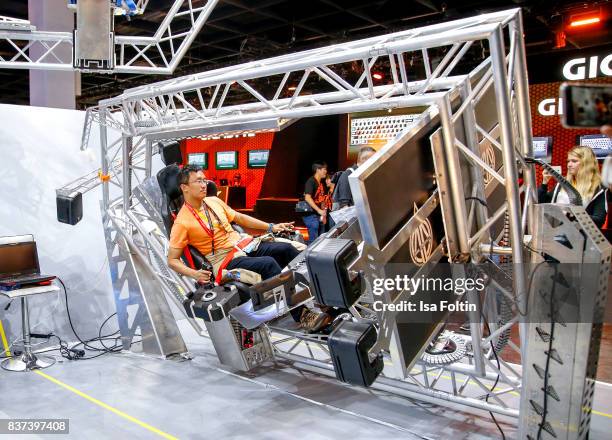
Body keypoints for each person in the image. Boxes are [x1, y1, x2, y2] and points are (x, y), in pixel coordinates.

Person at [167, 165, 333, 332]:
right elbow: (172, 260)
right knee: (268, 264)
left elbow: (239, 218)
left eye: (204, 180)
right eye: (198, 181)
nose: (204, 185)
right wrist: (194, 274)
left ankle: (324, 295)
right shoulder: (182, 223)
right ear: (184, 187)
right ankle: (303, 315)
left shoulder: (213, 201)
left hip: (244, 244)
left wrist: (271, 227)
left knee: (287, 249)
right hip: (225, 260)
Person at [538, 146, 608, 228]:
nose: (569, 165)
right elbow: (541, 203)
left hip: (579, 236)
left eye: (574, 161)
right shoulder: (562, 183)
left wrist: (573, 215)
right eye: (568, 161)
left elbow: (599, 220)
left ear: (587, 163)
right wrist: (544, 183)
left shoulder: (598, 188)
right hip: (555, 233)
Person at [332, 146, 376, 210]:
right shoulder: (348, 174)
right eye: (374, 159)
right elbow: (344, 205)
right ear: (365, 159)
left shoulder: (360, 175)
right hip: (351, 218)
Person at [302, 161, 334, 245]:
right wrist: (319, 210)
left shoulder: (320, 184)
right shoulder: (311, 181)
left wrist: (323, 215)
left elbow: (322, 200)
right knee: (313, 241)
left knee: (320, 240)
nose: (326, 171)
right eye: (324, 169)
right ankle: (308, 257)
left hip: (318, 215)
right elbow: (307, 197)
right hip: (310, 214)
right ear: (318, 170)